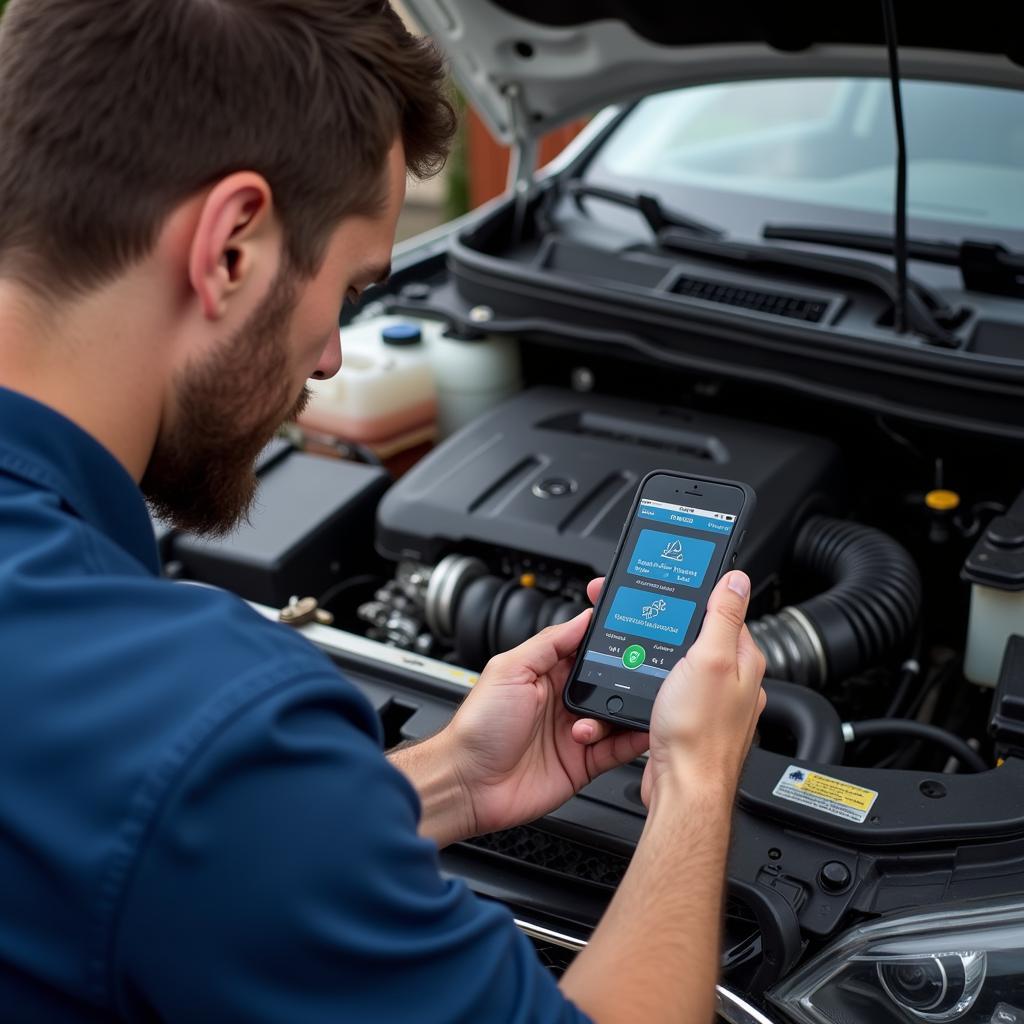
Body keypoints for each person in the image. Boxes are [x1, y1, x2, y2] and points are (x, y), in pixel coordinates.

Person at [0, 1, 767, 1021]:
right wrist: (697, 785)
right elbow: (185, 800)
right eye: (352, 291)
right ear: (231, 246)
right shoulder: (200, 722)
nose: (329, 360)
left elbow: (148, 856)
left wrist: (450, 778)